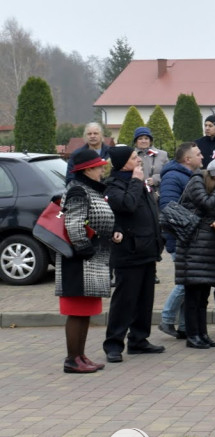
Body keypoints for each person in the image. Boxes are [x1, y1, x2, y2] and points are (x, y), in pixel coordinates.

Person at [58, 148, 118, 374]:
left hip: (91, 258)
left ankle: (80, 356)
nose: (103, 169)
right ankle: (72, 359)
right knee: (76, 311)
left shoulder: (89, 189)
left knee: (85, 311)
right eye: (99, 166)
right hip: (79, 261)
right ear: (88, 169)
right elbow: (73, 224)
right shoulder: (77, 191)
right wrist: (85, 250)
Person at [103, 145, 165, 363]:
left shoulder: (138, 181)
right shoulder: (114, 186)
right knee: (124, 301)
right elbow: (127, 206)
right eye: (133, 157)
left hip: (147, 249)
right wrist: (137, 181)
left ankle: (139, 340)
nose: (138, 159)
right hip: (128, 252)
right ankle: (113, 344)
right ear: (122, 163)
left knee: (144, 300)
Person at [177, 156, 215, 349]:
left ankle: (202, 334)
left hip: (207, 248)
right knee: (193, 296)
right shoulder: (197, 181)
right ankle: (192, 335)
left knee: (203, 296)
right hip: (192, 247)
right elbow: (207, 204)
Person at [157, 142, 204, 340]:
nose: (202, 156)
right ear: (187, 159)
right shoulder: (172, 177)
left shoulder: (189, 176)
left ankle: (185, 325)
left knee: (191, 283)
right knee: (186, 282)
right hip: (180, 239)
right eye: (198, 154)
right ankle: (167, 318)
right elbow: (169, 208)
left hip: (189, 238)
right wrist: (195, 223)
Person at [133, 127, 168, 198]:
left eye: (146, 138)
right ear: (136, 142)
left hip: (158, 193)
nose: (143, 141)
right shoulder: (131, 156)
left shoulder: (162, 155)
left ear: (150, 141)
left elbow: (168, 173)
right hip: (138, 193)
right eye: (140, 138)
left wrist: (156, 179)